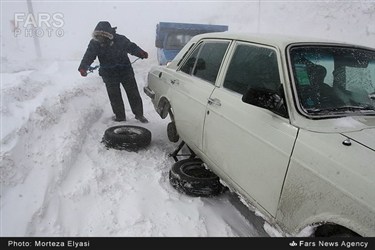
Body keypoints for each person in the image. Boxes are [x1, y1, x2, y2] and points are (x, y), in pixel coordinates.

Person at [78, 21, 149, 123]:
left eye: (102, 36)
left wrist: (140, 52)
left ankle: (139, 115)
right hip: (109, 74)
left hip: (125, 71)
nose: (100, 39)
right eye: (98, 36)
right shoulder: (94, 43)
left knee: (133, 94)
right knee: (114, 97)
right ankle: (120, 117)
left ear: (108, 34)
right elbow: (89, 56)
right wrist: (83, 67)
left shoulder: (120, 39)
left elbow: (131, 47)